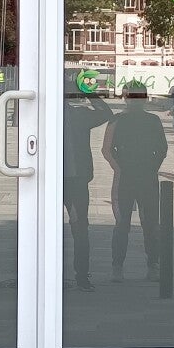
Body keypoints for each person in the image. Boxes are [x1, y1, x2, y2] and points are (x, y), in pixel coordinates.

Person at [102, 83, 168, 281]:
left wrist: (119, 167)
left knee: (133, 223)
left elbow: (106, 150)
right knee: (139, 223)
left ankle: (123, 267)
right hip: (138, 176)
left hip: (132, 176)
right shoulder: (145, 120)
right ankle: (143, 266)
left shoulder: (122, 120)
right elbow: (162, 149)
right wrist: (150, 167)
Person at [62, 76, 113, 293]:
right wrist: (86, 92)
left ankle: (80, 274)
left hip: (72, 180)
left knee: (79, 227)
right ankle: (79, 276)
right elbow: (105, 113)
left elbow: (106, 114)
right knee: (79, 227)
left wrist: (87, 92)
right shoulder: (74, 115)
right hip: (64, 180)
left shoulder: (77, 115)